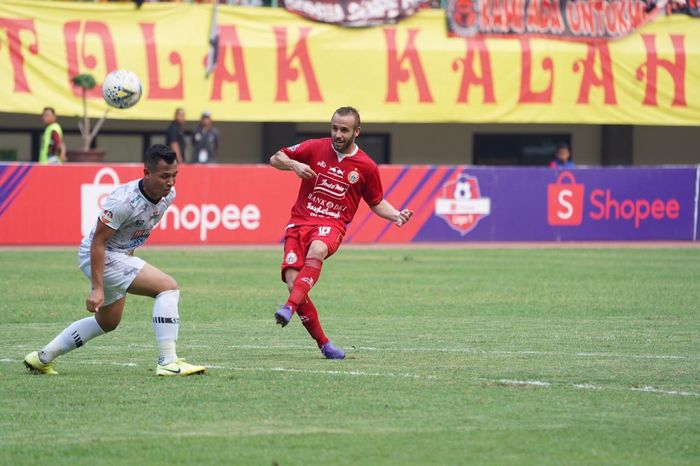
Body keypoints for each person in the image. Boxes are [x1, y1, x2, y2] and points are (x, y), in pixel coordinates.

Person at [24, 144, 206, 376]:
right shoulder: (122, 201)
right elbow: (98, 242)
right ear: (147, 173)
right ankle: (168, 362)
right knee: (167, 288)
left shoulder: (168, 195)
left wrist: (129, 255)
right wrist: (97, 288)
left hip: (118, 255)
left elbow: (133, 231)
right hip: (101, 254)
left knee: (107, 322)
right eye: (164, 176)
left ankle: (42, 358)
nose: (170, 182)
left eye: (174, 176)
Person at [270, 106, 413, 359]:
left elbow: (376, 201)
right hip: (299, 222)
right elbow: (275, 157)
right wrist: (294, 165)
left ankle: (289, 308)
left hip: (331, 224)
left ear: (356, 132)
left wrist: (396, 216)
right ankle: (324, 344)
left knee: (318, 249)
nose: (338, 134)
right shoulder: (314, 147)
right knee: (294, 283)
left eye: (344, 130)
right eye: (334, 128)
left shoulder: (366, 166)